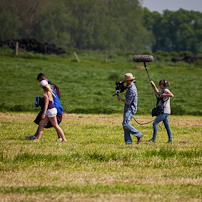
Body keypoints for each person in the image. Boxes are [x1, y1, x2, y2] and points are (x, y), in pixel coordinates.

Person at [25, 73, 64, 141]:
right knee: (43, 123)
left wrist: (42, 103)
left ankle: (61, 138)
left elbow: (48, 101)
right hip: (53, 107)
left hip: (53, 107)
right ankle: (36, 137)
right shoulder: (51, 86)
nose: (39, 83)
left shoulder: (50, 86)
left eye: (40, 81)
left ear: (43, 80)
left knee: (54, 124)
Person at [117, 73, 143, 144]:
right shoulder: (129, 86)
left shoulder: (132, 89)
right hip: (128, 108)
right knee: (126, 125)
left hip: (130, 109)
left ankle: (139, 134)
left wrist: (120, 99)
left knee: (125, 124)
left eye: (125, 81)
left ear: (128, 80)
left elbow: (128, 102)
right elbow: (126, 88)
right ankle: (128, 142)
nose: (124, 82)